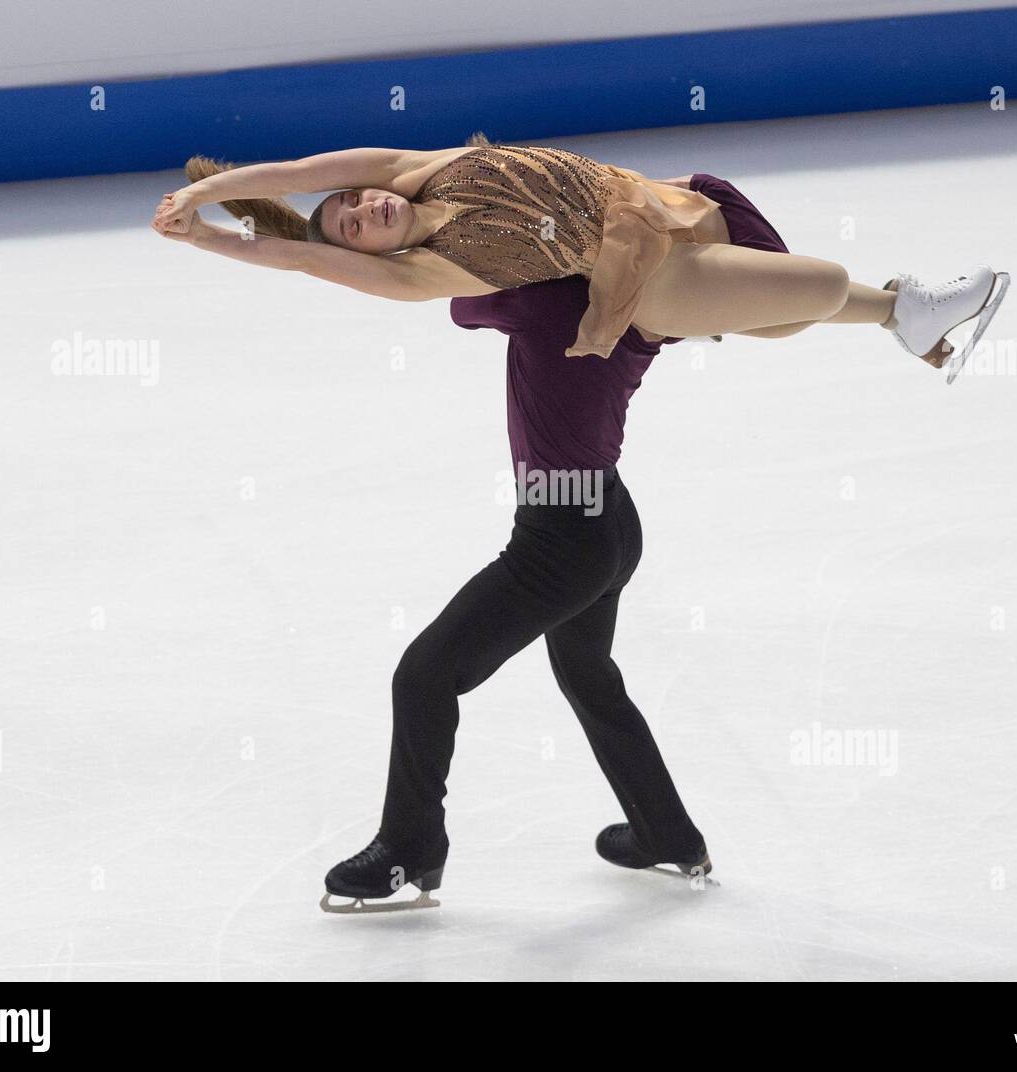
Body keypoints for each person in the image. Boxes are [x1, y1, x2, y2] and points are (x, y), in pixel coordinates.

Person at [318, 173, 797, 910]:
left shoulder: (520, 288)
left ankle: (410, 851)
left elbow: (448, 301)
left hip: (562, 537)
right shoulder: (645, 301)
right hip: (608, 515)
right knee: (586, 673)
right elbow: (767, 274)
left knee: (424, 675)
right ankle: (665, 835)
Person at [152, 135, 1008, 381]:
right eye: (351, 228)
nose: (361, 210)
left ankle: (906, 315)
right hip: (645, 279)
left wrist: (208, 187)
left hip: (663, 204)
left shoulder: (413, 170)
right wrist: (213, 236)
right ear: (364, 257)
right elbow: (301, 260)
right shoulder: (422, 272)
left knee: (785, 322)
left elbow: (302, 174)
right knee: (817, 283)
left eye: (352, 202)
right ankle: (907, 307)